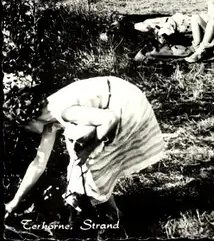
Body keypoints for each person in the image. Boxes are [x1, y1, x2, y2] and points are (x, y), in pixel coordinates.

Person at [4, 76, 164, 221]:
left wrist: (88, 150)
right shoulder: (49, 120)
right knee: (83, 161)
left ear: (30, 120)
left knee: (90, 163)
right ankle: (112, 213)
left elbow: (109, 119)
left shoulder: (63, 111)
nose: (26, 132)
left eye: (24, 127)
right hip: (114, 101)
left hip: (126, 103)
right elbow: (39, 163)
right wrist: (15, 201)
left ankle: (110, 216)